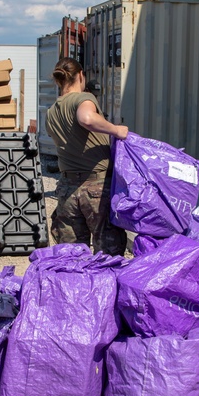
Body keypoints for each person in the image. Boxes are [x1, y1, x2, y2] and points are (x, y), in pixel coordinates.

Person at [45, 57, 129, 255]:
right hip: (96, 188)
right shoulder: (84, 99)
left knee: (71, 257)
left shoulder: (51, 112)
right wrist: (116, 130)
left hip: (67, 190)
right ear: (80, 75)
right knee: (108, 255)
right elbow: (87, 118)